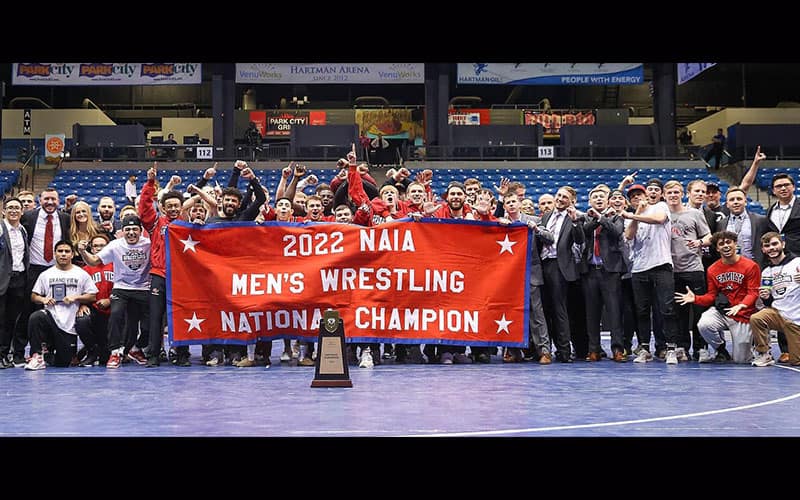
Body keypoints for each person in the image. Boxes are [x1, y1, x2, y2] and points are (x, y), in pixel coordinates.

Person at [77, 214, 152, 369]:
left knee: (148, 324)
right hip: (121, 287)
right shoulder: (115, 245)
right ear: (122, 231)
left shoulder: (149, 243)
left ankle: (136, 347)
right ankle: (115, 352)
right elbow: (93, 261)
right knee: (116, 314)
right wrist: (82, 251)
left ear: (141, 230)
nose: (131, 233)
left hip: (143, 287)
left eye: (135, 229)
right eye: (127, 229)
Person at [23, 240, 98, 370]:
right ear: (55, 254)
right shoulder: (46, 274)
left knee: (63, 363)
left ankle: (56, 352)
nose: (63, 254)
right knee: (36, 316)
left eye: (67, 251)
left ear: (72, 254)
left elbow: (92, 295)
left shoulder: (81, 273)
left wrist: (76, 298)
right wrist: (43, 300)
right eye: (60, 251)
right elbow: (34, 296)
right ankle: (37, 355)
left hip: (70, 323)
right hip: (51, 317)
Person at [750, 232, 800, 366]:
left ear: (783, 244)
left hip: (796, 318)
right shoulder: (766, 272)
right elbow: (770, 302)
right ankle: (764, 353)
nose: (771, 248)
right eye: (767, 246)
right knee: (757, 318)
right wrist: (766, 298)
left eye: (774, 244)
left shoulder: (797, 262)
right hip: (778, 314)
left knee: (796, 361)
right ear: (763, 250)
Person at [0, 198, 29, 369]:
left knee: (11, 320)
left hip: (19, 279)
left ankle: (4, 354)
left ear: (22, 211)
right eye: (10, 208)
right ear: (3, 211)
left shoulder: (23, 230)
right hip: (2, 279)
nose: (13, 211)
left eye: (17, 208)